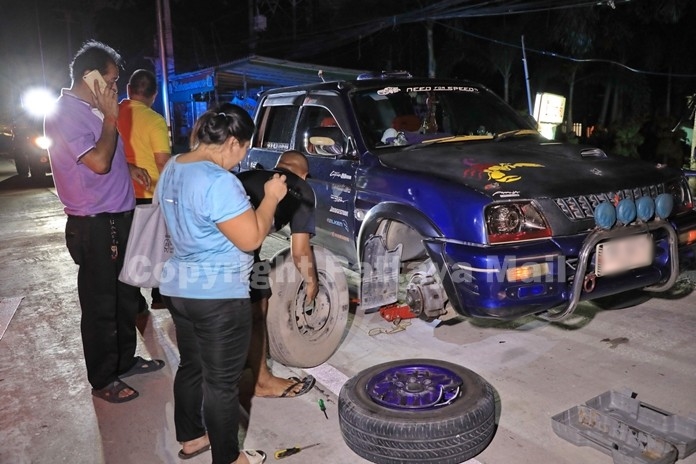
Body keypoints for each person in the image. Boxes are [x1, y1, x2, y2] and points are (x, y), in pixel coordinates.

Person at [157, 104, 286, 464]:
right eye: (243, 149)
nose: (242, 159)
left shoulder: (173, 166)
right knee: (222, 385)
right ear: (231, 142)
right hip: (217, 296)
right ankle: (230, 459)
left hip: (178, 290)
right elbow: (251, 238)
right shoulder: (218, 181)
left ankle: (192, 438)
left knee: (192, 367)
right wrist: (272, 198)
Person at [44, 40, 165, 404]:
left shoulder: (91, 109)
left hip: (118, 216)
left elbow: (106, 157)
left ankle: (124, 360)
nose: (115, 88)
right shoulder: (65, 112)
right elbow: (96, 162)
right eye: (111, 81)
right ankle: (103, 377)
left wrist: (128, 167)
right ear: (90, 77)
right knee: (101, 305)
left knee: (126, 297)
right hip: (95, 224)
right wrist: (111, 117)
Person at [237, 150, 318, 398]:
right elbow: (300, 250)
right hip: (237, 255)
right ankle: (261, 381)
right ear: (304, 174)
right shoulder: (300, 189)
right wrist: (312, 281)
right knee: (257, 311)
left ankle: (242, 365)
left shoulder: (248, 175)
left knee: (254, 300)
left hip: (213, 252)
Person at [118, 68, 171, 311]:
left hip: (120, 196)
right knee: (159, 246)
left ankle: (135, 300)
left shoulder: (111, 114)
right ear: (154, 95)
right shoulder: (155, 120)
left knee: (129, 247)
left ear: (128, 90)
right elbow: (162, 162)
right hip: (151, 194)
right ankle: (160, 295)